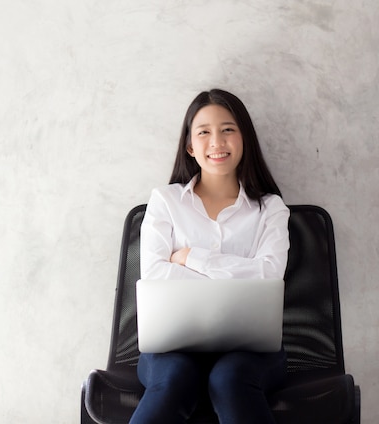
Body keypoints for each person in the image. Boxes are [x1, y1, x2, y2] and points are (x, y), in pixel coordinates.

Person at [129, 89, 290, 424]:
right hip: (172, 348)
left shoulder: (271, 208)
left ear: (244, 138)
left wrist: (191, 257)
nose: (217, 141)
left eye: (228, 129)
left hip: (251, 352)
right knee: (172, 379)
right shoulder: (165, 201)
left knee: (230, 379)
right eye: (204, 132)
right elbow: (155, 276)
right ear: (190, 146)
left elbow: (270, 277)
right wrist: (240, 272)